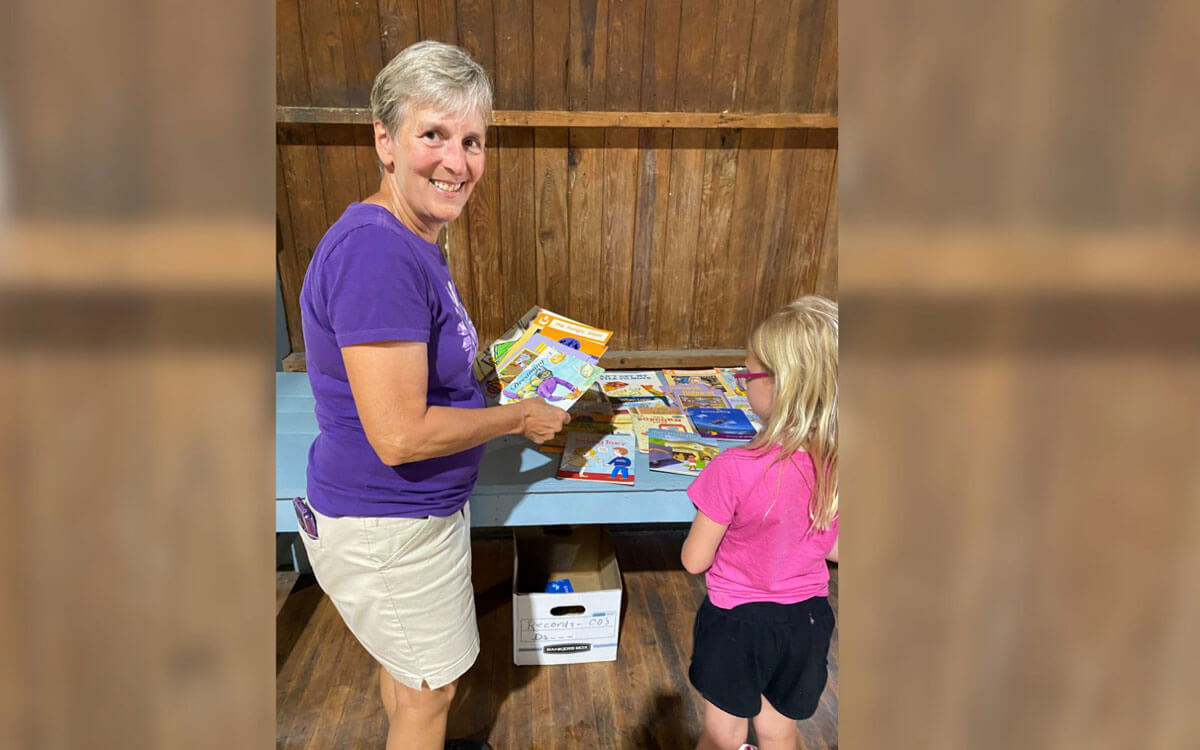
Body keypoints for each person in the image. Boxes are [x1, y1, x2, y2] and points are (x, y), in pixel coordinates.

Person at [295, 41, 570, 750]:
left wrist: (492, 373)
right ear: (384, 140)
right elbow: (399, 435)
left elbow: (416, 375)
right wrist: (517, 417)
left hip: (403, 517)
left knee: (412, 672)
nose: (458, 161)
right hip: (391, 525)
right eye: (434, 135)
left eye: (473, 140)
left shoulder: (413, 239)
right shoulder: (377, 251)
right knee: (434, 691)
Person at [680, 296, 840, 750]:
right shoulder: (838, 463)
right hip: (806, 622)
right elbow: (834, 550)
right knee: (778, 729)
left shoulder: (732, 467)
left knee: (722, 732)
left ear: (778, 384)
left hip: (737, 623)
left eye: (747, 374)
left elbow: (694, 561)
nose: (742, 382)